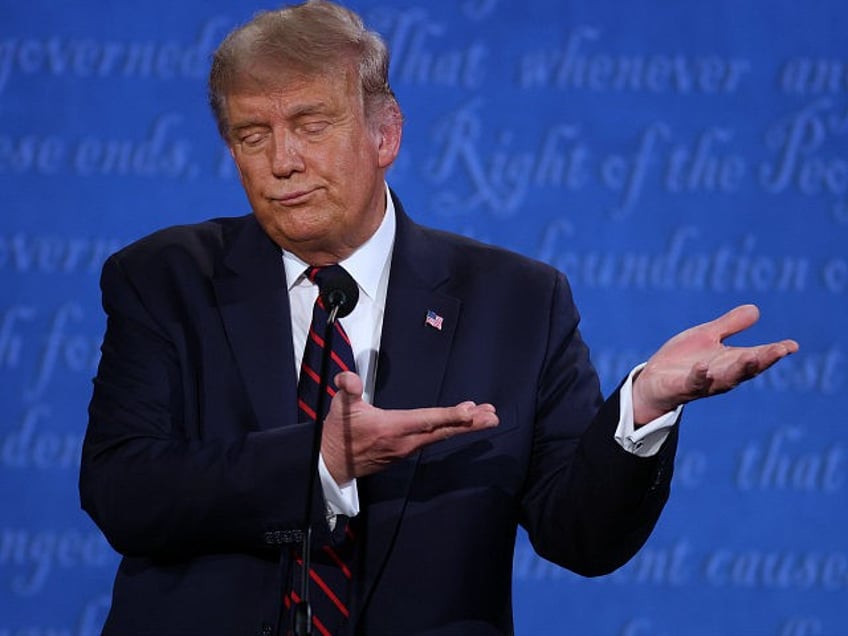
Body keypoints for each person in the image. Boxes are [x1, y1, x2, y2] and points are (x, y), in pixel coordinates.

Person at [79, 2, 798, 635]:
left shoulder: (518, 301)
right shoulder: (165, 278)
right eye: (251, 135)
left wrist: (644, 407)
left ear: (384, 133)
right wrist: (321, 463)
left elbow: (580, 536)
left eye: (310, 123)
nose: (282, 161)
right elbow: (124, 491)